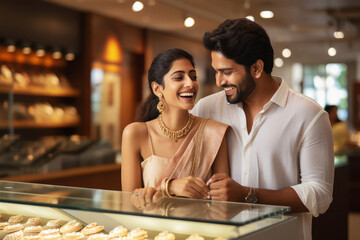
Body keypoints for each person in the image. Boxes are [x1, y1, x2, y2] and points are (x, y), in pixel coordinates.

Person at [191, 18, 334, 240]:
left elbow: (320, 194)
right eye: (215, 71)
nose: (219, 81)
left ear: (257, 68)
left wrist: (248, 195)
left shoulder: (309, 115)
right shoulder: (206, 109)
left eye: (227, 72)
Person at [121, 48, 229, 206]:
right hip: (150, 228)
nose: (190, 83)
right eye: (179, 77)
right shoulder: (136, 133)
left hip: (200, 228)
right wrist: (169, 186)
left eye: (193, 77)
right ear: (157, 89)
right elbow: (129, 198)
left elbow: (223, 202)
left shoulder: (213, 132)